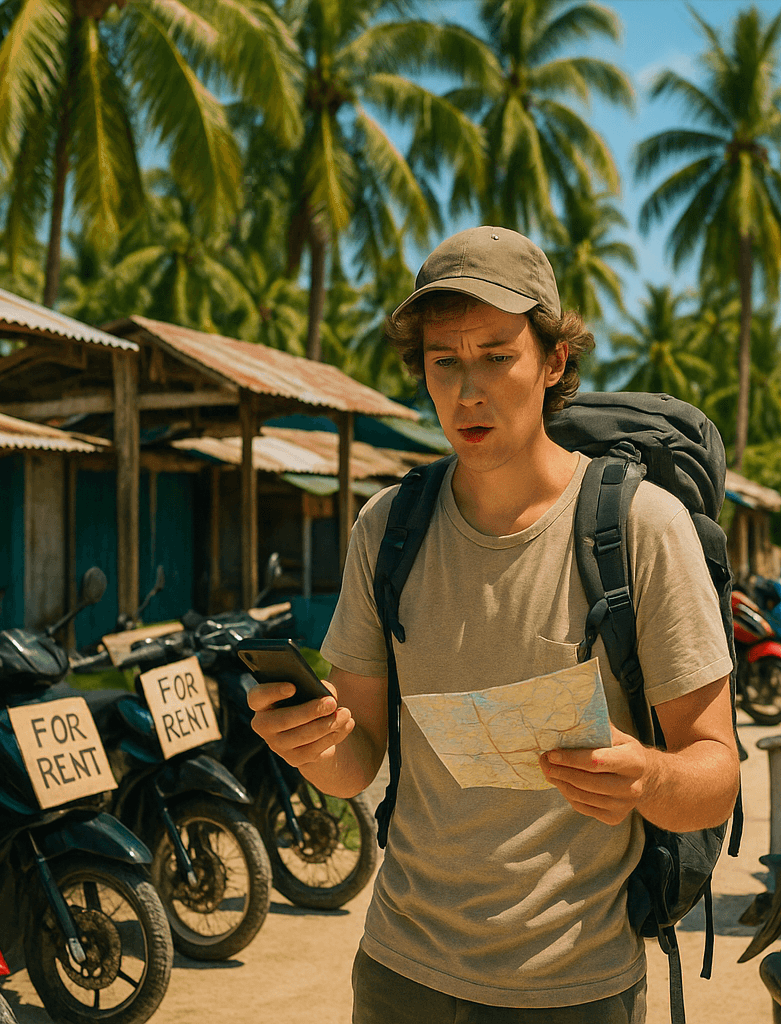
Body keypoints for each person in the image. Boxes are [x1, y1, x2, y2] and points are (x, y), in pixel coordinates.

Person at [249, 226, 739, 1024]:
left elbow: (715, 776)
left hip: (574, 987)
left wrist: (646, 777)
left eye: (497, 355)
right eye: (445, 360)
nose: (468, 389)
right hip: (398, 971)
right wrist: (312, 746)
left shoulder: (641, 530)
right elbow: (358, 755)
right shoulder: (387, 528)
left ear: (553, 362)